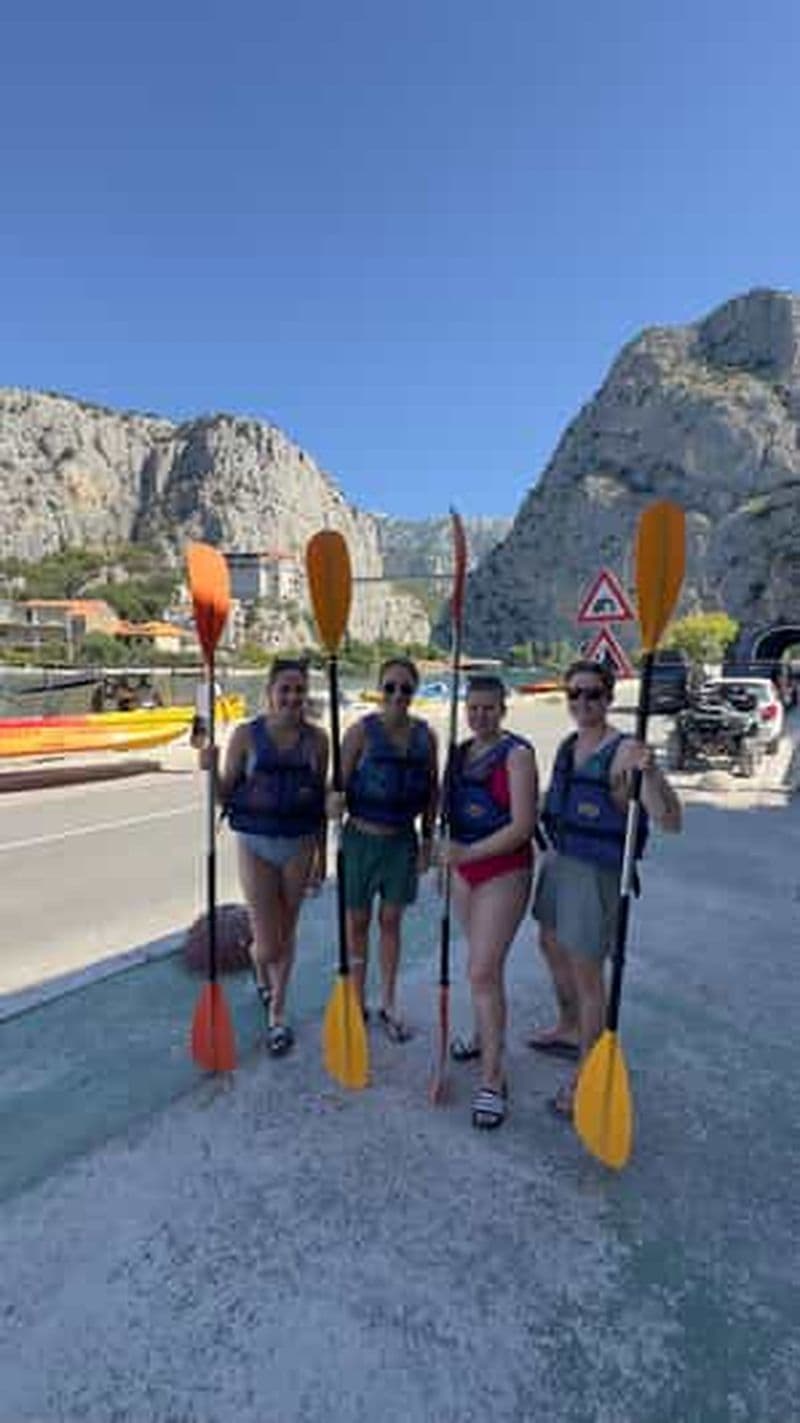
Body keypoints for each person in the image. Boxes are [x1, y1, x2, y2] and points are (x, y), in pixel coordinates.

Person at [530, 659, 682, 1118]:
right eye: (574, 694)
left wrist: (650, 773)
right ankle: (570, 1025)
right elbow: (552, 801)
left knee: (587, 973)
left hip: (597, 873)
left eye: (592, 694)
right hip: (560, 860)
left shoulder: (624, 751)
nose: (582, 702)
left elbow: (671, 821)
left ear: (609, 698)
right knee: (550, 942)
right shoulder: (567, 745)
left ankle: (585, 1075)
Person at [203, 658, 329, 1056]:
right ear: (270, 693)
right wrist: (208, 769)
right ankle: (257, 957)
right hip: (255, 843)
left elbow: (320, 802)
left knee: (287, 932)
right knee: (269, 945)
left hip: (300, 843)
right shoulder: (245, 736)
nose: (293, 697)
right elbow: (225, 793)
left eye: (299, 690)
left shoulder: (319, 740)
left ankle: (277, 1013)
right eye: (285, 690)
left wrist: (322, 858)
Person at [442, 675, 538, 1130]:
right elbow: (447, 812)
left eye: (488, 708)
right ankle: (483, 1035)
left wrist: (467, 855)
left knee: (481, 970)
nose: (480, 716)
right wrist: (446, 858)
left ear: (503, 709)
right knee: (484, 967)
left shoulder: (518, 756)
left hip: (504, 868)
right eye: (473, 708)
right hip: (462, 869)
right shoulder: (459, 754)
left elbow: (522, 826)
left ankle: (494, 1079)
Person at [337, 657, 438, 1041]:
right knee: (358, 923)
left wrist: (429, 839)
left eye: (405, 689)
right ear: (379, 690)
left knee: (392, 921)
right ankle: (356, 997)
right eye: (390, 687)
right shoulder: (359, 733)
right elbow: (339, 785)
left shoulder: (425, 737)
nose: (397, 695)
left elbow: (432, 791)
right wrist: (334, 801)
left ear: (414, 693)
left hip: (401, 841)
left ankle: (390, 1001)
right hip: (361, 839)